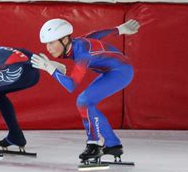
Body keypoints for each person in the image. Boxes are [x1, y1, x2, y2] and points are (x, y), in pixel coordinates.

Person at [31, 18, 140, 162]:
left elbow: (71, 85)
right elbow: (95, 35)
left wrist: (49, 68)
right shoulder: (76, 42)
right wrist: (119, 29)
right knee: (86, 102)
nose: (48, 48)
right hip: (111, 71)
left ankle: (94, 144)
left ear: (64, 40)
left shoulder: (82, 54)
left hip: (121, 72)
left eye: (51, 43)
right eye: (46, 44)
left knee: (83, 101)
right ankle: (113, 144)